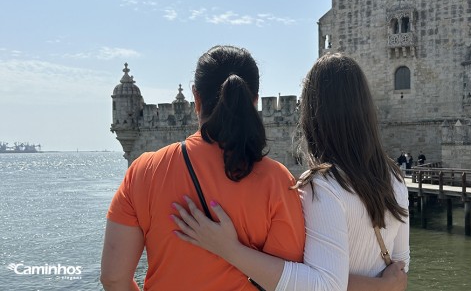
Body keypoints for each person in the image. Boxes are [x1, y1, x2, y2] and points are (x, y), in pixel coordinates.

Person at [172, 53, 410, 291]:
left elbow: (326, 285)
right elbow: (400, 267)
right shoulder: (395, 178)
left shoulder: (321, 187)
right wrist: (385, 286)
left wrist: (230, 250)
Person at [100, 45, 306, 290]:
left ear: (195, 98)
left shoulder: (144, 171)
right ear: (254, 101)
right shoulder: (278, 181)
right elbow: (290, 282)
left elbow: (113, 278)